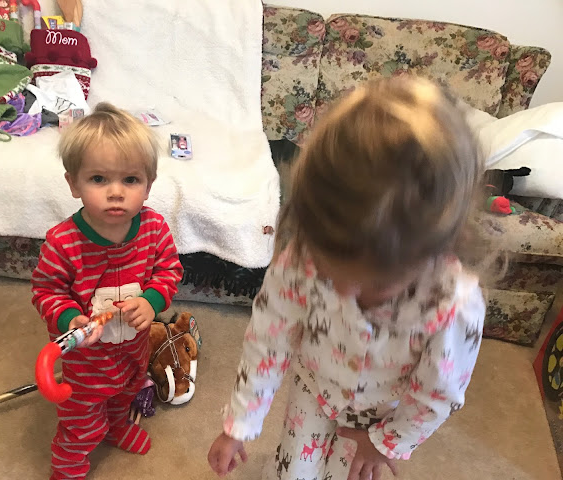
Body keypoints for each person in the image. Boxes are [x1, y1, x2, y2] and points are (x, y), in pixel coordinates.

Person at [208, 77, 488, 480]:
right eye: (329, 268)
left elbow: (436, 393)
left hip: (379, 416)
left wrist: (386, 442)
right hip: (314, 387)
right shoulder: (303, 255)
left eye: (373, 284)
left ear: (434, 251)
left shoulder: (453, 304)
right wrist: (239, 423)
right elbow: (268, 339)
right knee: (292, 473)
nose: (341, 291)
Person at [31, 102, 183, 480]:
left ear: (148, 184)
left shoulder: (154, 228)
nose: (116, 192)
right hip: (86, 362)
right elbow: (46, 290)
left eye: (130, 180)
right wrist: (70, 318)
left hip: (133, 350)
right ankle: (67, 469)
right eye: (99, 179)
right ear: (73, 184)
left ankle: (117, 427)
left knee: (125, 394)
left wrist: (151, 301)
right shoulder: (62, 242)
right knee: (80, 424)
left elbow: (168, 270)